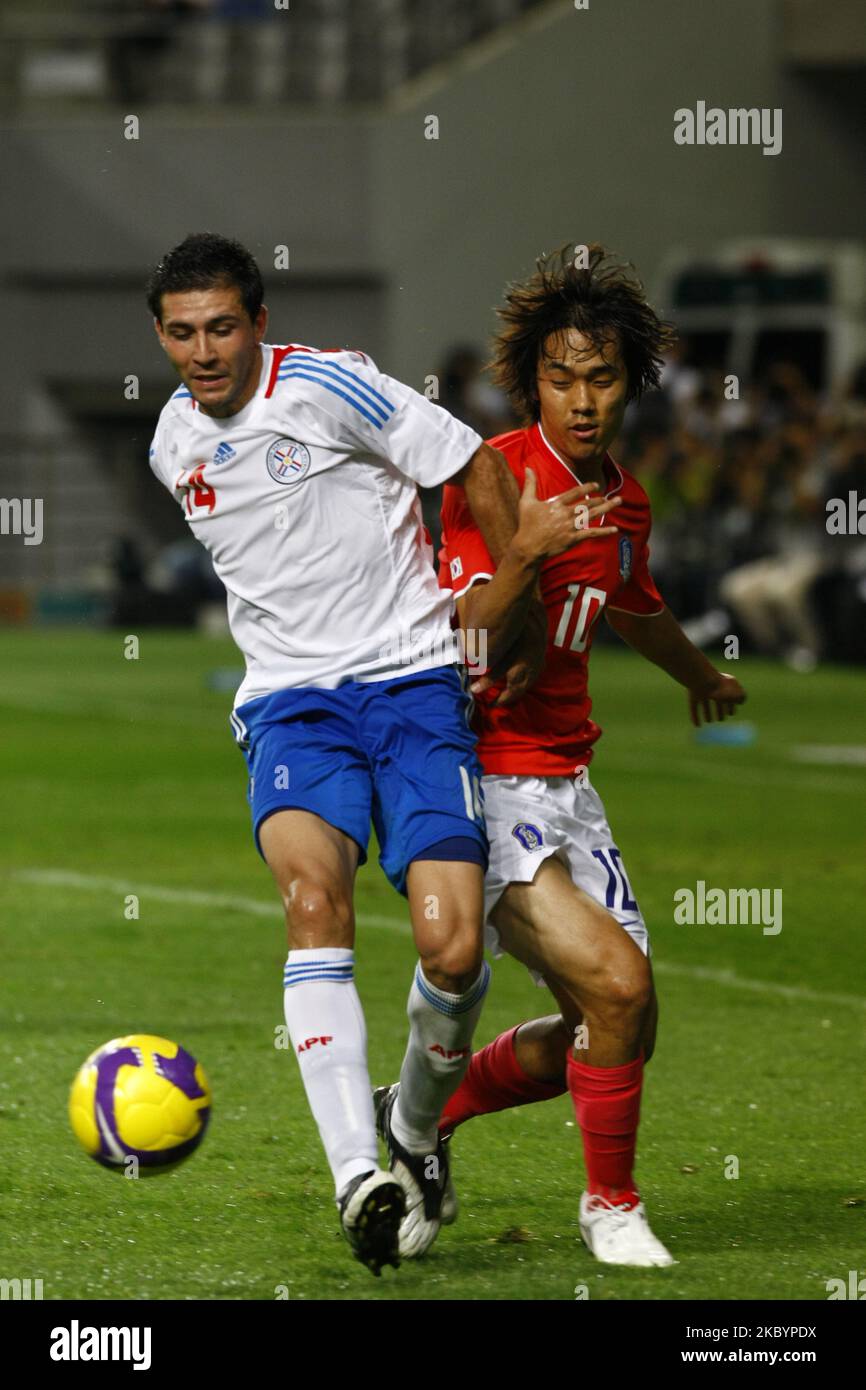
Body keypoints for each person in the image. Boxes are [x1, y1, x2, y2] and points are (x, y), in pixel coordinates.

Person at [144, 232, 587, 1276]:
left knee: (452, 948)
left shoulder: (333, 385)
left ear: (256, 321)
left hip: (413, 687)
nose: (202, 351)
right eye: (178, 332)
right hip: (292, 708)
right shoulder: (171, 446)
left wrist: (500, 630)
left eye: (219, 327)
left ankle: (414, 1131)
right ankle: (359, 1179)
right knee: (312, 902)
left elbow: (470, 464)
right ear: (159, 336)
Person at [377, 243, 747, 1267]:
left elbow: (632, 598)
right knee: (617, 987)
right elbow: (464, 640)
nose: (579, 400)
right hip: (484, 776)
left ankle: (422, 1116)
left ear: (628, 382)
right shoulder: (493, 477)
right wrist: (528, 549)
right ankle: (610, 1207)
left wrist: (697, 678)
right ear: (529, 378)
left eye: (600, 378)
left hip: (569, 783)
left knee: (616, 1025)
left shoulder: (621, 496)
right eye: (558, 377)